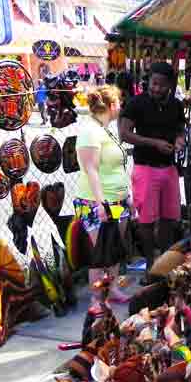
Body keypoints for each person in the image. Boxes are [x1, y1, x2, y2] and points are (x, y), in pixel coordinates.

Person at [119, 62, 185, 282]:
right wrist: (153, 143)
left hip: (169, 168)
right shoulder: (136, 103)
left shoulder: (176, 105)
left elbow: (179, 129)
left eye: (161, 85)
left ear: (169, 85)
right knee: (147, 221)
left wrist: (179, 140)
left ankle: (164, 263)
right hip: (145, 169)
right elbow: (124, 133)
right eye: (153, 83)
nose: (156, 88)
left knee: (168, 218)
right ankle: (149, 264)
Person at [74, 85, 131, 306]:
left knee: (114, 249)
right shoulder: (90, 130)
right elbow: (91, 169)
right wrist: (100, 203)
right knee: (100, 253)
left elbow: (116, 167)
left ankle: (113, 289)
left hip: (117, 200)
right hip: (97, 201)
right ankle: (97, 298)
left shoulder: (105, 128)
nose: (121, 106)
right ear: (111, 105)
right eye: (119, 102)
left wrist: (127, 196)